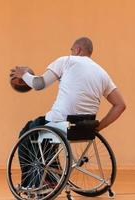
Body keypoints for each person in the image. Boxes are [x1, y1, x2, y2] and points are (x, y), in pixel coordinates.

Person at [10, 37, 126, 190]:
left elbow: (39, 84)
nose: (70, 52)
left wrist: (24, 74)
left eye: (71, 49)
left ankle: (33, 183)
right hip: (84, 127)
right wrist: (97, 127)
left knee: (27, 131)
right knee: (46, 134)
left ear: (77, 50)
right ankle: (51, 179)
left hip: (61, 122)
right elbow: (120, 105)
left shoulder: (67, 61)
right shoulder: (102, 73)